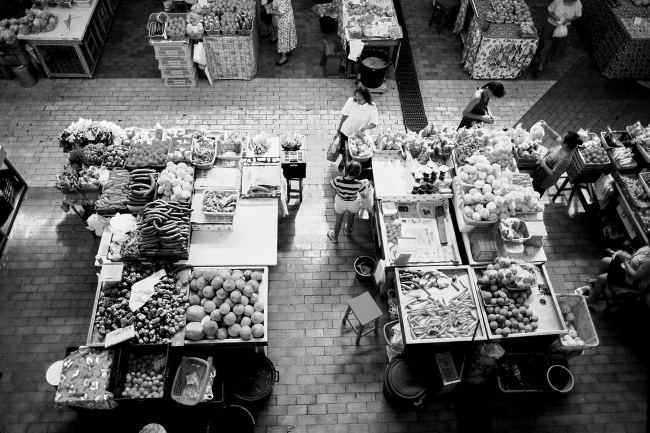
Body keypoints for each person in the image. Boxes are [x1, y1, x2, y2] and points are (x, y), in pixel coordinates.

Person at [580, 248, 650, 308]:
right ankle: (598, 284)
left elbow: (635, 276)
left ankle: (592, 298)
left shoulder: (648, 262)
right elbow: (633, 257)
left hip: (632, 281)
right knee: (604, 261)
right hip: (626, 268)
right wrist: (622, 254)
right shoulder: (647, 248)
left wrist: (625, 262)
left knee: (601, 278)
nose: (647, 242)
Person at [532, 0, 582, 78]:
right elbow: (549, 11)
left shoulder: (577, 3)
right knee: (546, 44)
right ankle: (540, 66)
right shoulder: (558, 1)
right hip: (551, 26)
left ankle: (544, 59)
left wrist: (568, 20)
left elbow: (577, 15)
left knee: (555, 46)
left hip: (562, 28)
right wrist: (555, 18)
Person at [531, 121, 582, 197]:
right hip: (540, 171)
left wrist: (543, 163)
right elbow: (556, 137)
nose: (560, 138)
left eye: (563, 138)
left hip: (544, 180)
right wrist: (547, 127)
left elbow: (554, 175)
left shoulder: (564, 160)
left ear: (565, 145)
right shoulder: (566, 146)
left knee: (534, 194)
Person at [335, 86, 379, 171]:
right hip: (347, 131)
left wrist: (365, 127)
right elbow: (345, 115)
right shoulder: (351, 101)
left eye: (360, 100)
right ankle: (343, 161)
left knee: (355, 153)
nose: (357, 101)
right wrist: (339, 128)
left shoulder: (372, 108)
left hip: (359, 137)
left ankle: (351, 168)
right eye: (356, 98)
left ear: (366, 98)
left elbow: (374, 124)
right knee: (344, 149)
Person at [327, 161, 369, 244]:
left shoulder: (338, 180)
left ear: (347, 169)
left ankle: (334, 237)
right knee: (351, 218)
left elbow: (332, 188)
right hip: (353, 203)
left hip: (340, 202)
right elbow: (363, 196)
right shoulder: (359, 184)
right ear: (358, 173)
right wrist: (367, 187)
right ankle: (347, 231)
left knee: (338, 220)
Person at [269, 0, 297, 66]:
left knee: (283, 39)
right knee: (287, 36)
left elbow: (281, 13)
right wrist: (271, 4)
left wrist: (270, 11)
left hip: (284, 22)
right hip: (288, 18)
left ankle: (284, 57)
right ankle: (288, 51)